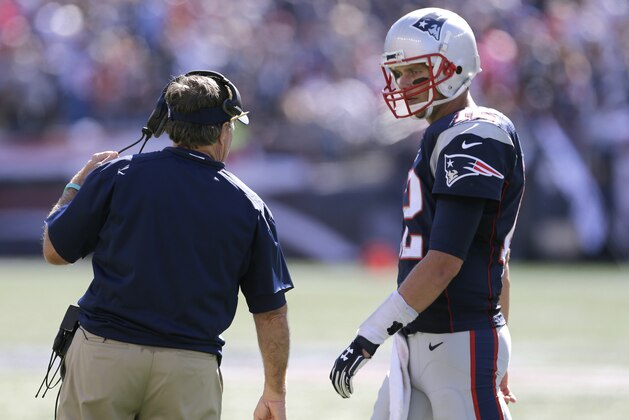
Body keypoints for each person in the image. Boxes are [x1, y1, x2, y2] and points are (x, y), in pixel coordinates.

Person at [42, 71, 294, 420]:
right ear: (223, 130)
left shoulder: (118, 173)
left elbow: (55, 252)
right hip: (189, 369)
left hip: (104, 355)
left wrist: (73, 187)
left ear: (168, 122)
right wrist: (274, 393)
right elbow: (271, 313)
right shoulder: (249, 205)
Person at [330, 7, 524, 420]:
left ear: (453, 66)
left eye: (416, 73)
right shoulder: (442, 132)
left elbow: (444, 262)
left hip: (460, 341)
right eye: (398, 74)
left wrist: (368, 335)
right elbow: (497, 263)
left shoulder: (476, 133)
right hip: (420, 341)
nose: (404, 85)